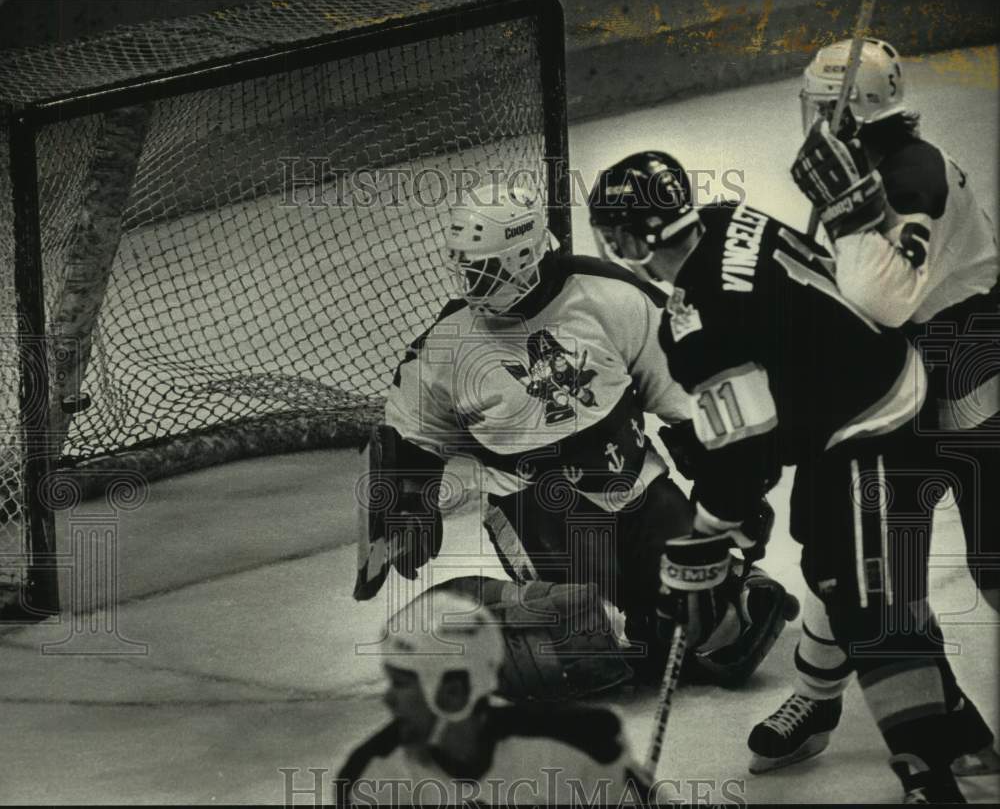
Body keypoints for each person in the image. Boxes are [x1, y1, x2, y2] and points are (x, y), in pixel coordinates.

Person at [588, 148, 984, 802]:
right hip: (895, 386)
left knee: (865, 597)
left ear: (633, 237)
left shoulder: (694, 323)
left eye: (613, 231)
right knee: (832, 555)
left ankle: (937, 765)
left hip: (873, 427)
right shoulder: (727, 219)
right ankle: (833, 704)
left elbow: (747, 457)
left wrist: (710, 531)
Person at [352, 181, 792, 693]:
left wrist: (734, 486)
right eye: (465, 267)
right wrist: (407, 507)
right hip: (537, 507)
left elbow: (690, 395)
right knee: (583, 636)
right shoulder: (446, 345)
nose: (472, 283)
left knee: (702, 621)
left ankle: (717, 596)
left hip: (636, 485)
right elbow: (407, 439)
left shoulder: (612, 296)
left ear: (528, 253)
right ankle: (488, 613)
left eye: (487, 267)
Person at [747, 37, 999, 786]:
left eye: (824, 105)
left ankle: (900, 710)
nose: (812, 119)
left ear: (851, 110)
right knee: (856, 551)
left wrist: (851, 211)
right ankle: (824, 697)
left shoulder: (909, 174)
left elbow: (883, 298)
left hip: (965, 366)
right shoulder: (867, 169)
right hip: (905, 371)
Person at [335, 589, 642, 805]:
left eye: (401, 684)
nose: (388, 700)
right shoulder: (370, 777)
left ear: (453, 692)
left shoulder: (580, 747)